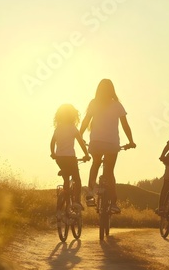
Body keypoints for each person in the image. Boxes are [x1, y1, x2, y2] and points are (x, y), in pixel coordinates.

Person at [79, 79, 135, 213]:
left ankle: (90, 195)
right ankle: (114, 203)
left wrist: (79, 135)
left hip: (96, 143)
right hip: (112, 144)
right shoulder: (117, 105)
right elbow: (125, 125)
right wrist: (131, 141)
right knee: (109, 171)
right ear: (112, 90)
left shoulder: (94, 103)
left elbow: (86, 121)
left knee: (96, 164)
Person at [50, 104, 90, 211]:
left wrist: (53, 153)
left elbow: (52, 142)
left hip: (59, 159)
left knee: (66, 179)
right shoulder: (72, 128)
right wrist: (86, 154)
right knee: (77, 179)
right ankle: (76, 201)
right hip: (70, 158)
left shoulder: (58, 128)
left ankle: (66, 202)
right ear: (73, 116)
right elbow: (81, 142)